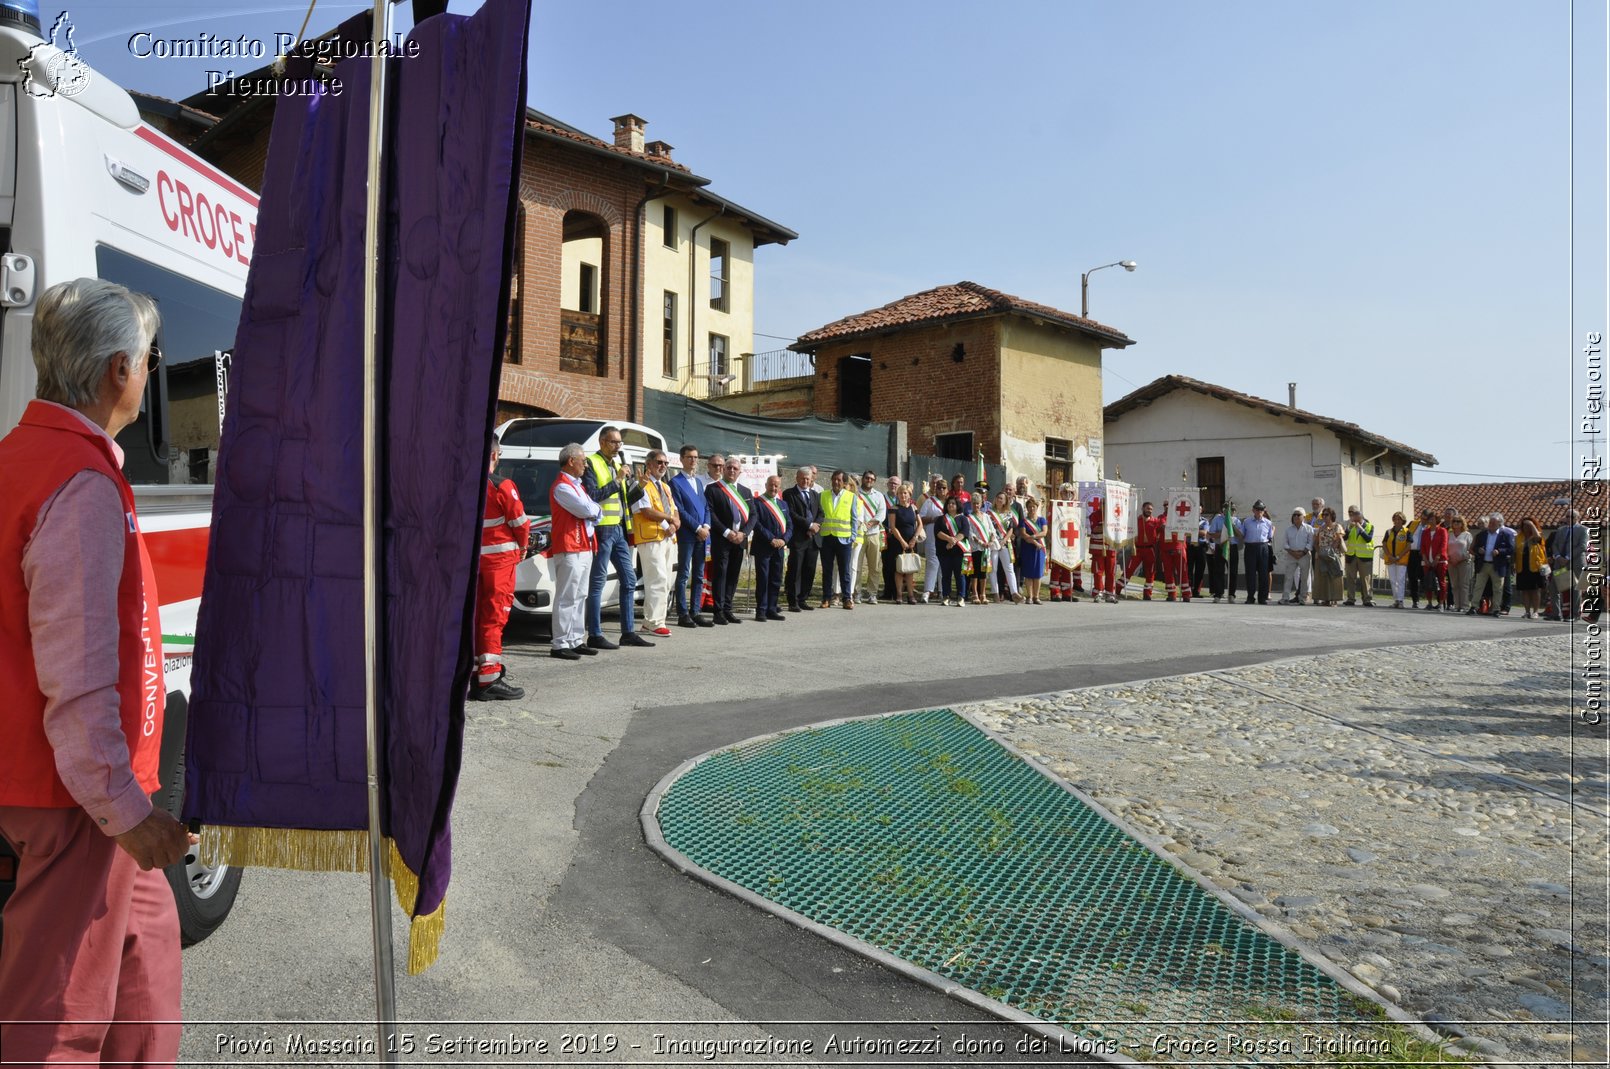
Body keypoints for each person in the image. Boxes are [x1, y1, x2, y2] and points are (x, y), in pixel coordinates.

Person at [0, 278, 193, 1067]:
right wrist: (123, 808)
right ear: (121, 369)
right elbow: (77, 679)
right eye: (149, 360)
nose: (151, 374)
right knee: (59, 1017)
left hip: (82, 793)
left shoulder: (28, 458)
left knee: (147, 957)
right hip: (77, 799)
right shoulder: (75, 479)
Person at [583, 425, 652, 649]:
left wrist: (639, 487)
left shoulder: (616, 464)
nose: (618, 446)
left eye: (620, 443)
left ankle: (628, 632)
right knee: (597, 582)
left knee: (629, 580)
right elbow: (592, 496)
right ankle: (594, 634)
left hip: (620, 529)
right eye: (614, 442)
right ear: (602, 442)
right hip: (603, 529)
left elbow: (625, 500)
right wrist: (617, 480)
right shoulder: (591, 463)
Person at [474, 435, 530, 697]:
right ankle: (489, 678)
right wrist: (524, 545)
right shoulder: (502, 485)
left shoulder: (464, 483)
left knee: (477, 617)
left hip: (475, 563)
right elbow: (520, 522)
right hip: (500, 562)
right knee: (494, 617)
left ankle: (477, 671)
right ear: (495, 455)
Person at [547, 443, 603, 660]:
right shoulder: (562, 486)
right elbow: (588, 509)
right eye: (583, 460)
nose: (586, 465)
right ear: (571, 461)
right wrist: (593, 511)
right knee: (566, 595)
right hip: (569, 546)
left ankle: (575, 639)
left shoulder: (577, 485)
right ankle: (560, 643)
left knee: (580, 594)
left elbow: (593, 509)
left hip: (583, 545)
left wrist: (593, 511)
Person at [630, 449, 680, 638]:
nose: (663, 466)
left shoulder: (665, 487)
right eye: (659, 462)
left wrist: (676, 523)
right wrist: (670, 520)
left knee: (666, 580)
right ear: (648, 464)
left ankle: (654, 620)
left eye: (666, 463)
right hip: (650, 537)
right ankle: (653, 622)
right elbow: (646, 510)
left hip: (668, 537)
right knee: (656, 579)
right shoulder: (642, 484)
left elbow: (674, 509)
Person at [705, 457, 754, 624]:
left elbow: (753, 515)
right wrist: (727, 532)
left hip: (739, 540)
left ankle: (728, 608)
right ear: (724, 470)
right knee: (721, 574)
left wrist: (744, 533)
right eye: (729, 468)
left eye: (735, 468)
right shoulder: (713, 489)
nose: (732, 471)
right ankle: (718, 611)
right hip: (722, 539)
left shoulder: (746, 492)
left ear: (740, 471)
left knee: (733, 575)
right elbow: (711, 514)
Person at [670, 445, 713, 629]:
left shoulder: (699, 482)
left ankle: (695, 611)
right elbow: (680, 509)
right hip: (688, 534)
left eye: (696, 457)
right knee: (684, 574)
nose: (693, 460)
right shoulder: (676, 482)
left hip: (702, 535)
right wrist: (697, 528)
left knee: (698, 575)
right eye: (689, 457)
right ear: (681, 459)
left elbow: (706, 508)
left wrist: (706, 526)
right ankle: (682, 613)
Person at [750, 474, 792, 621]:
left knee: (776, 579)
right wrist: (771, 539)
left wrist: (784, 540)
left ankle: (772, 609)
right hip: (763, 547)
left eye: (776, 486)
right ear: (766, 485)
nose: (773, 488)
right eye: (771, 485)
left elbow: (790, 526)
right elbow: (757, 524)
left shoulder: (783, 505)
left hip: (779, 548)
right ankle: (761, 610)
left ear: (779, 487)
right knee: (763, 579)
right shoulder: (758, 502)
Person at [818, 469, 860, 609]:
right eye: (834, 479)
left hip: (844, 539)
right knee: (827, 570)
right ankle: (826, 598)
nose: (836, 482)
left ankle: (847, 598)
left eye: (839, 480)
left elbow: (855, 519)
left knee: (845, 571)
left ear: (844, 483)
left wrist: (852, 536)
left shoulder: (851, 497)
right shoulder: (822, 495)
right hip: (827, 538)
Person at [782, 467, 821, 612]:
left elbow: (821, 513)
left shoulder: (816, 495)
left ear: (811, 479)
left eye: (808, 478)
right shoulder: (789, 494)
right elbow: (791, 514)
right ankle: (793, 601)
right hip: (798, 539)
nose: (805, 481)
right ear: (797, 478)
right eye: (802, 478)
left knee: (809, 569)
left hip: (813, 539)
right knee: (795, 570)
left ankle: (803, 598)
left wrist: (816, 525)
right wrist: (809, 524)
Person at [852, 470, 888, 604]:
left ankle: (872, 593)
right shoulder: (855, 494)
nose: (869, 480)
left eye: (872, 479)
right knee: (856, 565)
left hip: (873, 534)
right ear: (863, 479)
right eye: (867, 478)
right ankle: (857, 592)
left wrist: (869, 524)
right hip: (859, 534)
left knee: (875, 566)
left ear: (875, 481)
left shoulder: (879, 496)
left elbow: (881, 514)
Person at [1546, 509, 1589, 621]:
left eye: (1571, 516)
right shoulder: (1561, 530)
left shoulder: (1583, 530)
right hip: (1561, 564)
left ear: (1577, 518)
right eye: (1567, 516)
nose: (1568, 518)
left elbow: (1582, 546)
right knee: (1554, 587)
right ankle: (1557, 614)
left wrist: (1568, 558)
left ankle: (1574, 614)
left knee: (1575, 589)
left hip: (1575, 563)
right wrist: (1558, 556)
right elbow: (1554, 544)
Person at [1469, 512, 1515, 616]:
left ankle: (1496, 609)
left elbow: (1511, 549)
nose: (1491, 524)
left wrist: (1500, 551)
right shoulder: (1482, 534)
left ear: (1499, 524)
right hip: (1483, 564)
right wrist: (1479, 550)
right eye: (1490, 522)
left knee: (1497, 588)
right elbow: (1474, 547)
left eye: (1494, 523)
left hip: (1498, 565)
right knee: (1478, 586)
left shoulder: (1506, 534)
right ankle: (1474, 607)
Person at [886, 482, 922, 604]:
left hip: (912, 542)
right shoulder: (893, 508)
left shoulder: (914, 507)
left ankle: (911, 595)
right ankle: (899, 594)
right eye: (900, 493)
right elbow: (892, 526)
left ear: (909, 494)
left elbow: (920, 524)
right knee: (899, 569)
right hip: (898, 542)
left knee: (910, 570)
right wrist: (902, 541)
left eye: (905, 493)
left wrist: (914, 538)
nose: (903, 495)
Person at [985, 490, 1023, 604]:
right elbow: (988, 528)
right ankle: (995, 592)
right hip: (993, 543)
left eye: (1002, 498)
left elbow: (1011, 529)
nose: (999, 500)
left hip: (1005, 543)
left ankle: (1014, 593)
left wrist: (1005, 540)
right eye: (998, 498)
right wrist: (995, 540)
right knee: (994, 569)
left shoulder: (1009, 513)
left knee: (1009, 568)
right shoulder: (989, 513)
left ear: (1006, 501)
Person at [935, 494, 970, 606]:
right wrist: (949, 539)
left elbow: (964, 532)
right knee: (946, 575)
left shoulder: (963, 518)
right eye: (949, 503)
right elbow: (937, 532)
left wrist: (953, 541)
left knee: (959, 575)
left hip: (959, 551)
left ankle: (961, 597)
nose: (951, 505)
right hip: (944, 551)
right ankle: (946, 596)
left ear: (957, 505)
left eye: (953, 503)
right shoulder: (941, 519)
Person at [1047, 482, 1078, 602]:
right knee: (1056, 567)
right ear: (1061, 493)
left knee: (1068, 567)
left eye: (1070, 492)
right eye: (1065, 492)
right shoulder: (1056, 505)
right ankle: (1055, 592)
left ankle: (1067, 592)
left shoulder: (1075, 506)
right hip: (1058, 539)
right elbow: (1050, 523)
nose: (1068, 494)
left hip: (1070, 541)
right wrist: (1051, 539)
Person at [1240, 500, 1275, 605]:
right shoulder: (1247, 522)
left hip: (1263, 548)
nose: (1259, 511)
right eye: (1257, 509)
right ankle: (1250, 597)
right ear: (1253, 510)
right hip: (1250, 547)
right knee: (1250, 573)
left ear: (1264, 511)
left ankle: (1262, 597)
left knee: (1264, 573)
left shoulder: (1268, 523)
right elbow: (1242, 534)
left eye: (1261, 509)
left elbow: (1269, 537)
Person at [918, 477, 947, 603]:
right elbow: (921, 518)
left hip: (946, 537)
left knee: (944, 564)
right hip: (932, 536)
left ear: (947, 489)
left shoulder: (950, 502)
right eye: (939, 487)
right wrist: (933, 519)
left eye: (943, 488)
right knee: (933, 563)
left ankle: (942, 591)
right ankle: (927, 591)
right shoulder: (930, 501)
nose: (941, 490)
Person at [1342, 506, 1377, 607]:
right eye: (1353, 517)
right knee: (1350, 578)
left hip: (1364, 557)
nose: (1354, 519)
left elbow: (1368, 539)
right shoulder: (1350, 527)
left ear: (1361, 517)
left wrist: (1360, 528)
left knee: (1366, 579)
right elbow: (1345, 537)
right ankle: (1351, 598)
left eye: (1356, 517)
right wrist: (1349, 528)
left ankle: (1367, 599)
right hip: (1351, 555)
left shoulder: (1369, 526)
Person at [1514, 517, 1547, 620]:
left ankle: (1535, 612)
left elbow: (1537, 537)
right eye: (1524, 525)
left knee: (1535, 590)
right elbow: (1516, 550)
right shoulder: (1519, 537)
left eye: (1529, 525)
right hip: (1522, 566)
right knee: (1525, 590)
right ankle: (1527, 612)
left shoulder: (1538, 535)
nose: (1526, 527)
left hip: (1535, 566)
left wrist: (1532, 525)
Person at [1312, 507, 1346, 606]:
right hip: (1321, 555)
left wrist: (1329, 552)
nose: (1325, 517)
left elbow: (1338, 540)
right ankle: (1325, 598)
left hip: (1333, 555)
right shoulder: (1321, 528)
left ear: (1332, 516)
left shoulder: (1337, 527)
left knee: (1334, 577)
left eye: (1327, 515)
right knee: (1323, 577)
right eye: (1323, 515)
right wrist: (1320, 552)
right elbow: (1316, 542)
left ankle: (1334, 599)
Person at [1018, 496, 1047, 603]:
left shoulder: (1042, 520)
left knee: (1037, 573)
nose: (1032, 509)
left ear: (1037, 507)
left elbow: (1044, 532)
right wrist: (1034, 541)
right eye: (1029, 507)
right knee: (1029, 573)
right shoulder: (1024, 521)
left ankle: (1036, 596)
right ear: (1027, 508)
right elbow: (1024, 534)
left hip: (1039, 549)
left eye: (1034, 507)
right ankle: (1029, 596)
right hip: (1028, 548)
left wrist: (1034, 537)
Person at [965, 491, 992, 604]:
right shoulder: (969, 518)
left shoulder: (986, 516)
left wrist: (990, 541)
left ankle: (983, 594)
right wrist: (981, 542)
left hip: (986, 548)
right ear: (971, 504)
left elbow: (992, 530)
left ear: (981, 503)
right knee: (975, 571)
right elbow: (971, 534)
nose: (976, 505)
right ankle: (975, 594)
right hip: (976, 547)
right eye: (974, 503)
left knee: (984, 572)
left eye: (978, 503)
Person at [1381, 512, 1412, 608]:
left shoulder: (1407, 531)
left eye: (1399, 519)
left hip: (1401, 560)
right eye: (1395, 519)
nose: (1397, 521)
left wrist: (1399, 556)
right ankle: (1396, 600)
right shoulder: (1388, 532)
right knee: (1393, 580)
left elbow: (1408, 546)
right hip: (1390, 559)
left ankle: (1401, 600)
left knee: (1400, 580)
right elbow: (1384, 544)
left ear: (1403, 521)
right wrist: (1389, 555)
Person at [880, 474, 903, 601]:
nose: (893, 485)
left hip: (899, 537)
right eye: (891, 483)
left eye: (896, 484)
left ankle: (897, 591)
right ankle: (887, 591)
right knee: (886, 564)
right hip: (885, 535)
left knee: (897, 565)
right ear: (887, 484)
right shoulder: (881, 498)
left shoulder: (902, 499)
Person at [1207, 501, 1236, 603]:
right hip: (1220, 545)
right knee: (1218, 571)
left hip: (1232, 547)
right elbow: (1211, 534)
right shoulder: (1217, 519)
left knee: (1232, 571)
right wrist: (1223, 533)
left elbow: (1241, 536)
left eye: (1232, 509)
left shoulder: (1236, 521)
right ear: (1223, 510)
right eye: (1228, 509)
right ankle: (1218, 594)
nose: (1230, 511)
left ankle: (1231, 594)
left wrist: (1232, 527)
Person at [1419, 509, 1447, 611]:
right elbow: (1422, 546)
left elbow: (1443, 545)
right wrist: (1425, 558)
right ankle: (1429, 602)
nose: (1430, 520)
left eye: (1433, 518)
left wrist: (1437, 557)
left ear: (1437, 520)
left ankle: (1440, 603)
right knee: (1428, 581)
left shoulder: (1442, 531)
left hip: (1440, 561)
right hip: (1427, 560)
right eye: (1429, 518)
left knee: (1441, 582)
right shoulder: (1425, 532)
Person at [1446, 515, 1474, 614]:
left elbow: (1471, 550)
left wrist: (1461, 558)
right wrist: (1449, 559)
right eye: (1454, 521)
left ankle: (1465, 606)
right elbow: (1445, 548)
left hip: (1463, 562)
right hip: (1451, 562)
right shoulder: (1449, 534)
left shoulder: (1467, 535)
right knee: (1454, 585)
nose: (1456, 523)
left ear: (1463, 523)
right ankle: (1457, 605)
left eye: (1459, 521)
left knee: (1464, 584)